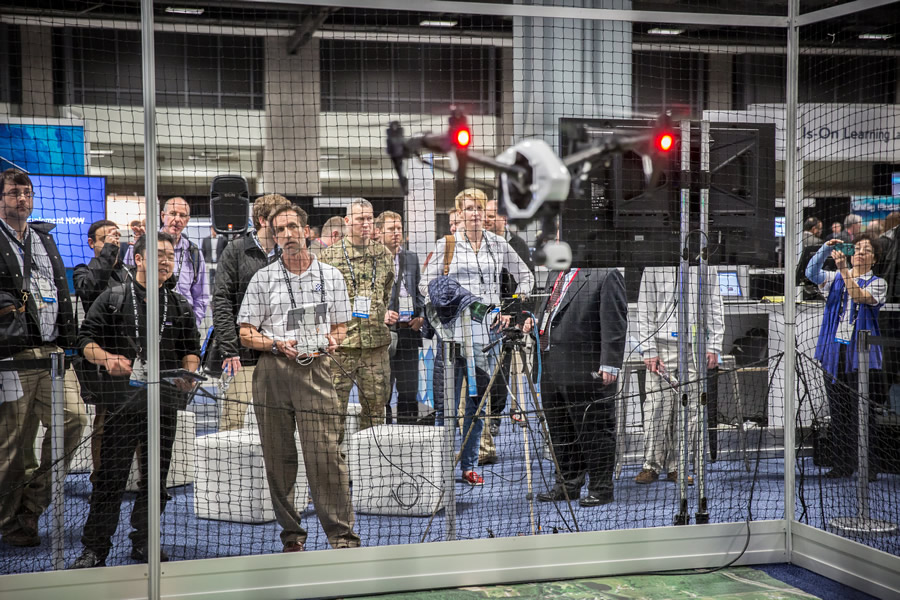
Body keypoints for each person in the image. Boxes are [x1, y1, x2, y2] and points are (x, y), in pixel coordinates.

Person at [70, 232, 200, 568]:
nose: (166, 261)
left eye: (171, 255)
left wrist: (189, 372)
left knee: (156, 481)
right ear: (138, 259)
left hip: (165, 405)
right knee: (111, 479)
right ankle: (95, 547)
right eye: (158, 254)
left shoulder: (180, 305)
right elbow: (84, 339)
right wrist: (106, 358)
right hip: (122, 405)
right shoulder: (113, 297)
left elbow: (191, 349)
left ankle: (144, 541)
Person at [238, 204, 360, 552]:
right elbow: (246, 333)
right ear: (274, 237)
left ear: (307, 231)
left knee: (324, 455)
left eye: (293, 227)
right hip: (273, 371)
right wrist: (277, 343)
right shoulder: (263, 278)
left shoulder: (330, 276)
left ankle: (342, 536)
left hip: (317, 370)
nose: (288, 235)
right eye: (280, 230)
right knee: (278, 458)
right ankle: (292, 535)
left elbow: (341, 325)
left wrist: (334, 339)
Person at [421, 188, 534, 486]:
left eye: (479, 209)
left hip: (487, 338)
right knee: (445, 406)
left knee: (476, 405)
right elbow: (424, 285)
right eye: (468, 208)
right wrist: (449, 300)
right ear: (458, 214)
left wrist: (511, 308)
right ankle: (440, 467)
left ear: (485, 213)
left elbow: (526, 278)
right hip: (451, 338)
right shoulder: (446, 245)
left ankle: (469, 465)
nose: (474, 214)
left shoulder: (498, 245)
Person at [0, 168, 87, 548]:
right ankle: (9, 520)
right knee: (13, 445)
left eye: (27, 192)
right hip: (12, 357)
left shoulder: (43, 238)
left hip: (52, 353)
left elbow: (57, 288)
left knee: (74, 419)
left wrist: (69, 342)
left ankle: (32, 507)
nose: (22, 198)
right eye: (14, 192)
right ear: (1, 198)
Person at [535, 267, 627, 507]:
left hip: (587, 369)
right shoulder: (555, 274)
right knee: (561, 430)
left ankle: (601, 488)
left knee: (594, 430)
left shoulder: (605, 274)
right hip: (551, 367)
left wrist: (610, 363)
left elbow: (615, 321)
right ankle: (568, 485)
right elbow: (546, 314)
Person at [635, 265, 725, 485]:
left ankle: (679, 466)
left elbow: (714, 303)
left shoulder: (704, 264)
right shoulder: (654, 265)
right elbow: (645, 307)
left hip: (693, 345)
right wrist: (648, 349)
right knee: (657, 407)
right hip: (661, 346)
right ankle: (651, 465)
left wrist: (714, 345)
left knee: (690, 409)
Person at [806, 233, 885, 481]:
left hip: (861, 352)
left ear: (874, 259)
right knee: (838, 411)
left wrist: (843, 270)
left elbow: (859, 296)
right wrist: (823, 251)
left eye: (866, 250)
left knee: (863, 412)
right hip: (836, 350)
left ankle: (868, 465)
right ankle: (841, 464)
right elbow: (811, 273)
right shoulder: (834, 278)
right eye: (858, 248)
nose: (860, 253)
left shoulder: (877, 283)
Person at [212, 193, 292, 431]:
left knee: (279, 424)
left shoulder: (289, 253)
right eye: (279, 220)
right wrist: (230, 349)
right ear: (262, 220)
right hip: (243, 356)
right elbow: (222, 301)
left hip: (281, 353)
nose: (285, 228)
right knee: (235, 423)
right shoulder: (236, 251)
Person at [319, 199, 394, 433]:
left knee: (376, 409)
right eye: (360, 218)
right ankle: (335, 465)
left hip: (376, 347)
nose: (366, 223)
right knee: (333, 410)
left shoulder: (383, 254)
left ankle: (371, 463)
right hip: (341, 348)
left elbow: (385, 295)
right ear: (347, 221)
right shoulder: (328, 258)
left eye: (370, 218)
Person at [73, 219, 133, 478]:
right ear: (92, 244)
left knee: (136, 416)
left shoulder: (129, 272)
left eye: (116, 238)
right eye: (106, 239)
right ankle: (100, 477)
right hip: (102, 357)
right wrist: (108, 252)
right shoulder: (82, 271)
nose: (113, 243)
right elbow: (91, 291)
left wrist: (142, 245)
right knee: (104, 420)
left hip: (132, 355)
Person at [484, 199, 534, 436]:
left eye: (492, 215)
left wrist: (519, 315)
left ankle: (496, 415)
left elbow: (526, 282)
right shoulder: (481, 245)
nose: (487, 219)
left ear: (504, 218)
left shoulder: (517, 245)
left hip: (510, 319)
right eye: (486, 215)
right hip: (486, 316)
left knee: (502, 370)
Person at [124, 197, 208, 327]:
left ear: (187, 220)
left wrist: (192, 325)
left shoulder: (193, 253)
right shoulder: (143, 244)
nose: (177, 219)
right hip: (146, 321)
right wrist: (140, 247)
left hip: (181, 326)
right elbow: (126, 282)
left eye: (182, 215)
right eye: (173, 214)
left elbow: (201, 297)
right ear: (163, 216)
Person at [375, 211, 425, 424]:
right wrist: (381, 314)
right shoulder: (373, 258)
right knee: (383, 389)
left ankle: (409, 432)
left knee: (409, 388)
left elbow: (420, 291)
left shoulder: (411, 257)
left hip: (409, 333)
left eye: (399, 229)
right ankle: (384, 434)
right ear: (379, 232)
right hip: (385, 333)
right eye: (391, 229)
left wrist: (421, 316)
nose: (396, 233)